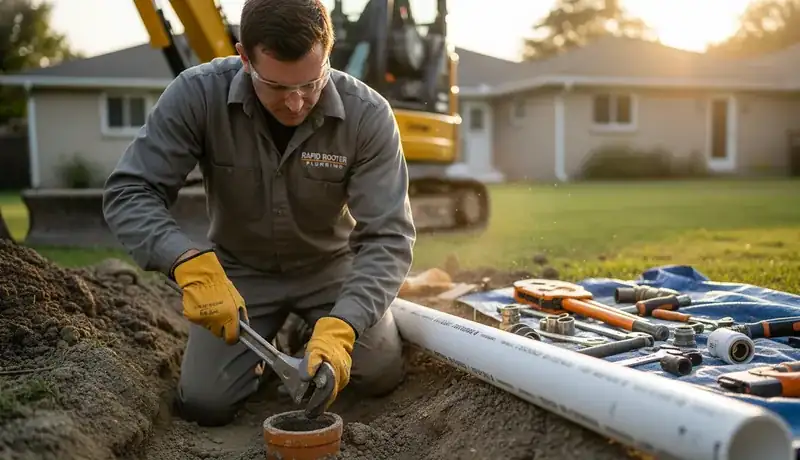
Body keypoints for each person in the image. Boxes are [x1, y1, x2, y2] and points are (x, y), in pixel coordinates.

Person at [102, 0, 415, 427]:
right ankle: (265, 355)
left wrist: (343, 324)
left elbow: (388, 236)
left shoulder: (369, 115)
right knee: (204, 403)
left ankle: (315, 330)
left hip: (330, 269)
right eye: (277, 87)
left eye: (312, 82)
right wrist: (186, 264)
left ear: (328, 52)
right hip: (238, 274)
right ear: (243, 58)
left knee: (380, 372)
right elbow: (130, 190)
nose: (296, 103)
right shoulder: (197, 95)